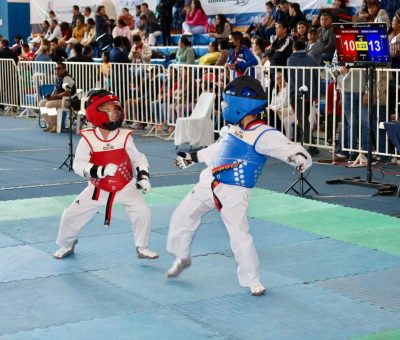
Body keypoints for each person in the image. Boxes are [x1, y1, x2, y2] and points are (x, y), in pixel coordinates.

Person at [166, 75, 312, 296]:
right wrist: (191, 158)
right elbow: (216, 151)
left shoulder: (263, 134)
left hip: (235, 191)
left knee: (239, 236)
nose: (224, 105)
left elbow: (288, 148)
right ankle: (181, 256)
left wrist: (300, 159)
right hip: (209, 181)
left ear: (239, 105)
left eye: (227, 101)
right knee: (182, 216)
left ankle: (252, 280)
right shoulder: (230, 129)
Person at [53, 90, 159, 260]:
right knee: (70, 215)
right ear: (95, 111)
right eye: (108, 110)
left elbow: (138, 158)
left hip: (125, 185)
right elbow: (78, 164)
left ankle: (142, 247)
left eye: (115, 110)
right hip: (97, 188)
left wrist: (143, 177)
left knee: (143, 212)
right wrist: (99, 171)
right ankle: (67, 244)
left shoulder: (125, 136)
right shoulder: (87, 138)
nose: (113, 114)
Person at [38, 62, 75, 132]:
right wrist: (50, 96)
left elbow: (67, 93)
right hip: (58, 99)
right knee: (42, 103)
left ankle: (55, 125)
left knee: (49, 104)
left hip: (68, 101)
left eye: (59, 69)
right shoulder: (58, 77)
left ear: (64, 69)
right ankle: (50, 124)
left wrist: (54, 97)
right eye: (56, 69)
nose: (56, 70)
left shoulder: (67, 78)